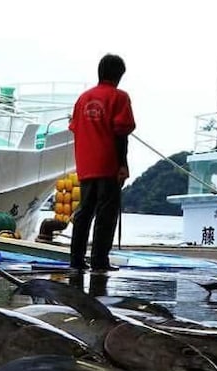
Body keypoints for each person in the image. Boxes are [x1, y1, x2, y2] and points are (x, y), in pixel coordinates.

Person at [68, 53, 136, 274]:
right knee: (106, 215)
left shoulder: (83, 98)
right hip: (108, 164)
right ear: (118, 75)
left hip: (86, 165)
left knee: (84, 212)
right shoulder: (119, 97)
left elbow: (75, 128)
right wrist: (122, 165)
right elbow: (121, 133)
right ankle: (99, 261)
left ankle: (76, 261)